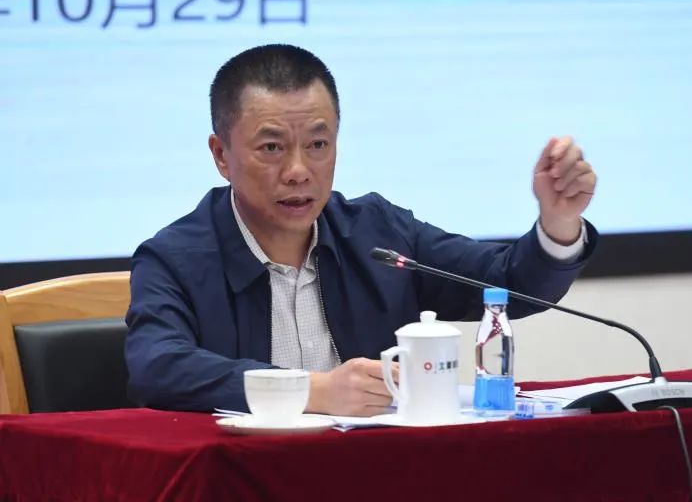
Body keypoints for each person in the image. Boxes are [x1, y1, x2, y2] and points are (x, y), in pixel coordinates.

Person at [125, 44, 599, 415]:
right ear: (221, 155)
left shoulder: (377, 234)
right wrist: (313, 391)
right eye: (271, 148)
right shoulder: (175, 258)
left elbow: (510, 285)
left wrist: (558, 222)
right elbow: (158, 367)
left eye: (318, 144)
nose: (298, 171)